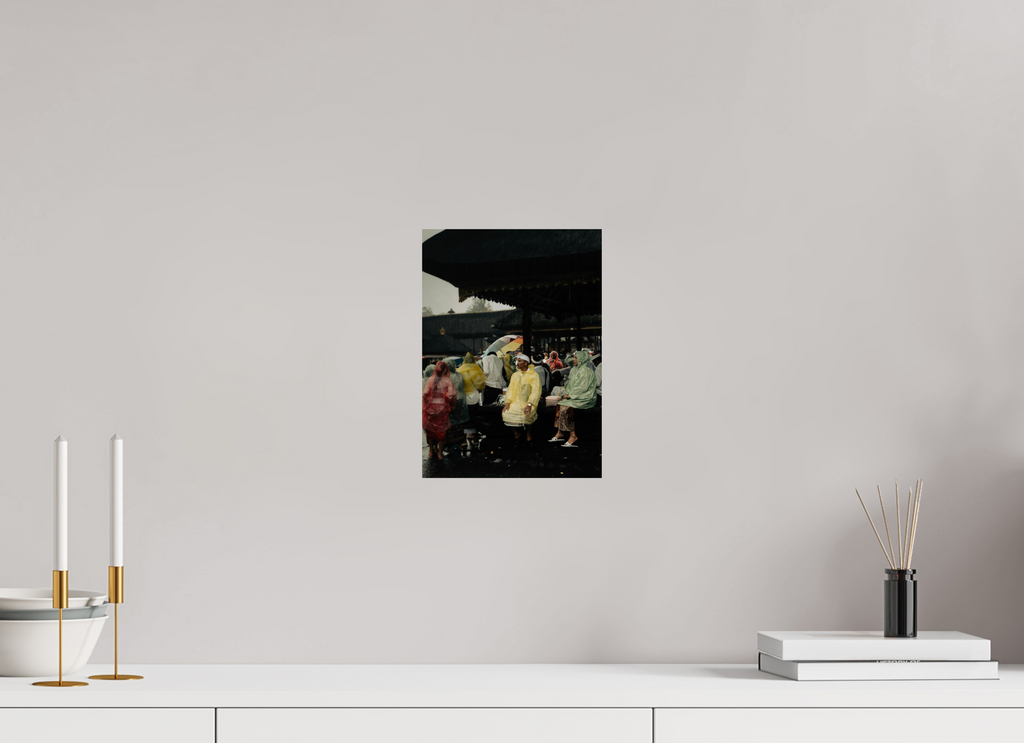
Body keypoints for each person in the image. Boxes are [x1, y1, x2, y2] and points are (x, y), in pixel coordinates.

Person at [551, 350, 598, 448]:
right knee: (560, 405)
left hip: (586, 397)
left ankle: (573, 435)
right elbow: (571, 384)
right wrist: (568, 392)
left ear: (582, 359)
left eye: (576, 358)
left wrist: (570, 395)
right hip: (576, 396)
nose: (574, 360)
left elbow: (582, 387)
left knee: (567, 407)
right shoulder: (574, 369)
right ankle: (560, 432)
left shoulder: (586, 371)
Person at [501, 353, 542, 443]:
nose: (517, 363)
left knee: (527, 415)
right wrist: (508, 402)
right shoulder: (515, 375)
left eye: (519, 361)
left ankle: (528, 434)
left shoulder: (534, 375)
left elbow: (536, 391)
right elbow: (510, 389)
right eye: (517, 361)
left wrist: (529, 404)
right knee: (507, 413)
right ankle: (516, 434)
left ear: (526, 363)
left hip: (527, 402)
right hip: (515, 402)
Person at [422, 361, 456, 459]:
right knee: (441, 431)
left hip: (430, 408)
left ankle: (431, 452)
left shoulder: (430, 379)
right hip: (442, 409)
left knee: (430, 431)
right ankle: (440, 453)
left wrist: (425, 404)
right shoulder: (447, 381)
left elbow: (425, 394)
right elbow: (451, 395)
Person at [442, 356, 470, 449]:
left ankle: (449, 445)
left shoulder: (444, 376)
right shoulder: (460, 375)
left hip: (450, 401)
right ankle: (461, 443)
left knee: (450, 423)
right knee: (460, 423)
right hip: (461, 400)